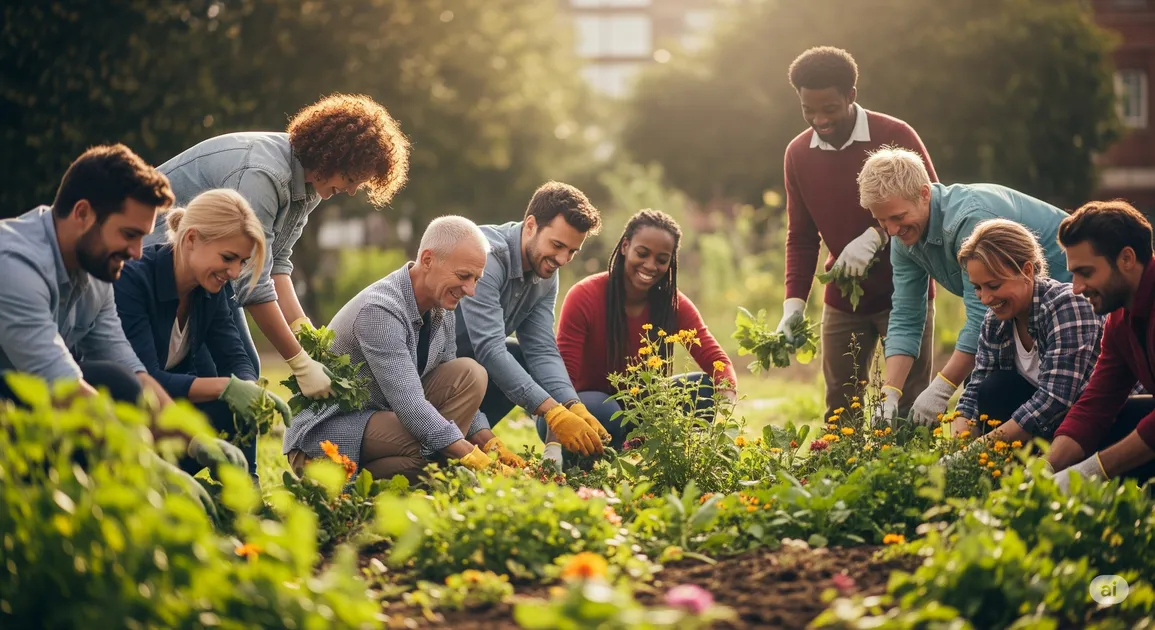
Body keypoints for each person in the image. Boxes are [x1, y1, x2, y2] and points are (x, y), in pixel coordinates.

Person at [144, 93, 411, 400]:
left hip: (208, 274)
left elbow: (278, 263)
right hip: (154, 269)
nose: (351, 191)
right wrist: (299, 362)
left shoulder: (310, 186)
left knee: (243, 371)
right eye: (350, 178)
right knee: (223, 376)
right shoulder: (264, 175)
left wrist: (305, 332)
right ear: (331, 156)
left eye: (358, 185)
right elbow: (252, 283)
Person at [283, 216, 520, 482]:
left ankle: (417, 471)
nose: (471, 290)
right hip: (329, 435)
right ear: (428, 260)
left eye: (476, 279)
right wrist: (475, 459)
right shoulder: (380, 311)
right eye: (464, 276)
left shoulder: (442, 307)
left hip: (381, 421)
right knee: (433, 446)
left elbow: (449, 379)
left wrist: (490, 444)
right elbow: (410, 405)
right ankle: (342, 479)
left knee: (470, 374)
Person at [777, 46, 940, 423]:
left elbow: (930, 200)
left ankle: (912, 476)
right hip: (843, 299)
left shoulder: (895, 134)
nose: (819, 120)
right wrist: (794, 305)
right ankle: (844, 476)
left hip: (906, 290)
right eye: (808, 110)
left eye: (829, 109)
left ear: (851, 96)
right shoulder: (798, 154)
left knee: (910, 404)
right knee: (840, 407)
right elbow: (801, 236)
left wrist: (875, 235)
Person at [857, 146, 1072, 426]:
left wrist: (941, 388)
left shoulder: (969, 221)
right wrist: (889, 394)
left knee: (1055, 394)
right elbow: (906, 316)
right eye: (881, 221)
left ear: (924, 193)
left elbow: (982, 315)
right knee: (989, 390)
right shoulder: (903, 241)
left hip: (1073, 291)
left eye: (898, 217)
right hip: (1019, 305)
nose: (891, 230)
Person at [115, 189, 294, 480]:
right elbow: (144, 379)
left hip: (172, 421)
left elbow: (234, 355)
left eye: (242, 262)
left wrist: (247, 389)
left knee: (237, 403)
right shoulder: (133, 280)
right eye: (228, 257)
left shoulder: (212, 289)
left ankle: (244, 493)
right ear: (191, 239)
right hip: (128, 421)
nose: (235, 272)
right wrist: (226, 387)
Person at [0, 144, 173, 408]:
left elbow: (130, 368)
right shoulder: (14, 265)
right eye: (129, 234)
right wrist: (137, 446)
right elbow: (61, 387)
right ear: (82, 213)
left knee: (123, 383)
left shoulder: (96, 271)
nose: (137, 253)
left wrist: (195, 442)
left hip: (24, 397)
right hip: (16, 401)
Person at [552, 209, 738, 449]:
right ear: (625, 246)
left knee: (702, 388)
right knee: (608, 410)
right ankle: (601, 455)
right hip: (576, 410)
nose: (650, 265)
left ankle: (649, 449)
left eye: (661, 260)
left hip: (639, 409)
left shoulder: (673, 304)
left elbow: (718, 361)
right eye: (642, 253)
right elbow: (563, 375)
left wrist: (726, 413)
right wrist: (555, 439)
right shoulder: (585, 295)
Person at [455, 182, 610, 461]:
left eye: (572, 252)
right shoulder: (486, 255)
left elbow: (541, 349)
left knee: (520, 355)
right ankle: (452, 445)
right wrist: (552, 412)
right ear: (530, 226)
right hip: (430, 368)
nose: (563, 259)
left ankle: (465, 447)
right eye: (557, 245)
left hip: (469, 371)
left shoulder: (546, 272)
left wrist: (572, 404)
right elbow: (489, 349)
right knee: (497, 358)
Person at [948, 219, 1102, 446]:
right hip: (1044, 424)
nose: (986, 299)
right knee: (990, 386)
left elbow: (1055, 399)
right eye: (978, 288)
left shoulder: (1068, 307)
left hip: (1095, 421)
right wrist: (958, 442)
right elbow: (977, 385)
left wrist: (982, 446)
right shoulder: (996, 321)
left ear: (1026, 271)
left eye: (994, 285)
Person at [1047, 200, 1155, 492]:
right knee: (1121, 417)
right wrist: (1046, 469)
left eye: (1086, 272)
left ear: (1127, 259)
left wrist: (1091, 471)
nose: (1076, 287)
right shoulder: (1120, 319)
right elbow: (1098, 400)